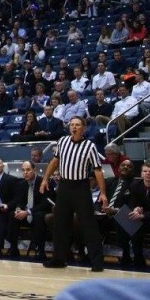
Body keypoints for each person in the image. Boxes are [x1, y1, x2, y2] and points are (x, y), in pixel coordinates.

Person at [40, 115, 108, 272]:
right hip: (64, 186)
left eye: (77, 125)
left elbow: (98, 171)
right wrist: (45, 179)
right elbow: (54, 162)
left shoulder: (90, 146)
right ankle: (59, 259)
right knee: (60, 224)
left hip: (81, 187)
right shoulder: (62, 141)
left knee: (88, 225)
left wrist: (103, 193)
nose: (74, 127)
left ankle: (97, 262)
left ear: (83, 128)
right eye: (72, 125)